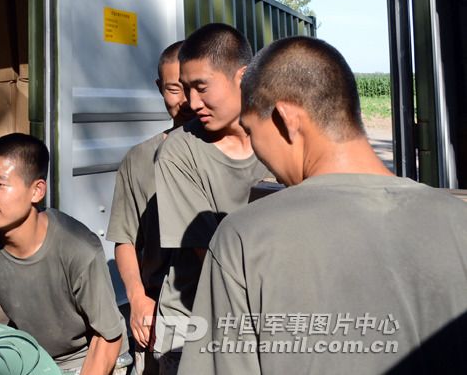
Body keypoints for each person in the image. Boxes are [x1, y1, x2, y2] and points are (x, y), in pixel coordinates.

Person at [180, 36, 467, 374]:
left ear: (286, 119)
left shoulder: (244, 239)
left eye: (252, 130)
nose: (258, 150)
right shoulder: (458, 219)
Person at [0, 133, 130, 375]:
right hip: (30, 354)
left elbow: (107, 338)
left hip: (84, 358)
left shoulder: (78, 248)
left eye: (0, 184)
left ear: (37, 191)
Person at [152, 23, 269, 372]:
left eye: (201, 88)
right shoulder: (178, 153)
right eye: (186, 90)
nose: (192, 103)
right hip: (195, 327)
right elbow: (213, 257)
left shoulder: (277, 140)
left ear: (243, 77)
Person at [106, 41, 194, 375]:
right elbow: (125, 239)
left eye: (192, 88)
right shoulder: (140, 159)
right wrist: (138, 297)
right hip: (158, 310)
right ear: (160, 88)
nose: (184, 101)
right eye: (174, 89)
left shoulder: (236, 154)